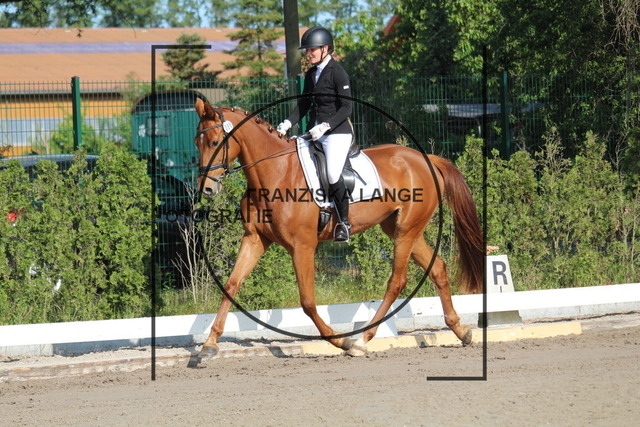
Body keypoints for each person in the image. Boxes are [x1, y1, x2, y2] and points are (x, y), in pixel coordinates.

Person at [277, 26, 354, 243]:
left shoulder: (338, 73)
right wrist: (286, 124)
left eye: (312, 50)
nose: (308, 54)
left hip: (337, 133)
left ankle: (344, 223)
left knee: (332, 174)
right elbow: (304, 105)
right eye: (307, 50)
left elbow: (347, 108)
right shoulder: (311, 74)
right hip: (315, 132)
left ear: (325, 49)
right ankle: (316, 208)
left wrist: (326, 126)